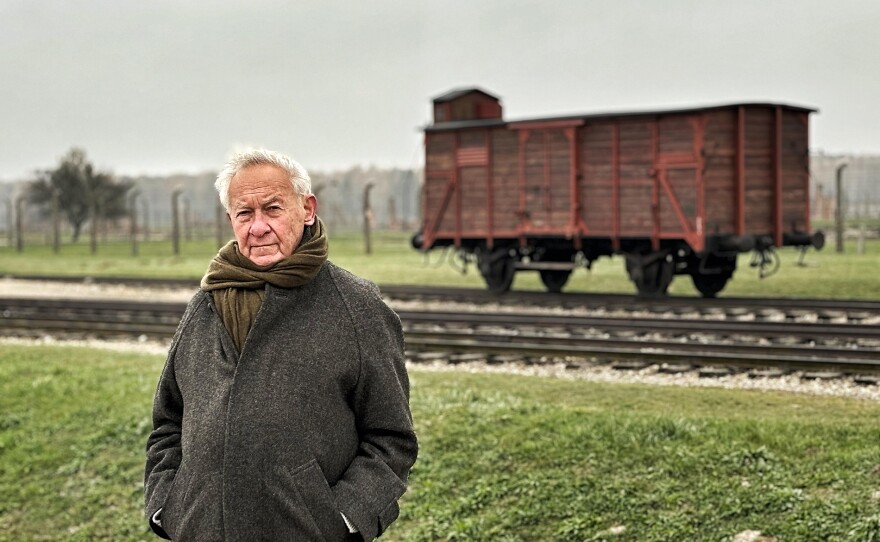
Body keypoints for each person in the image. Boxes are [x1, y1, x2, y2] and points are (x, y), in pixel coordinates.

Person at [144, 148, 418, 541]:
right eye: (244, 213)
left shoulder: (357, 307)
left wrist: (342, 520)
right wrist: (166, 506)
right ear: (230, 219)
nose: (258, 227)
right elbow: (168, 422)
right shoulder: (205, 304)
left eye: (272, 209)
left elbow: (391, 439)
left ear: (307, 209)